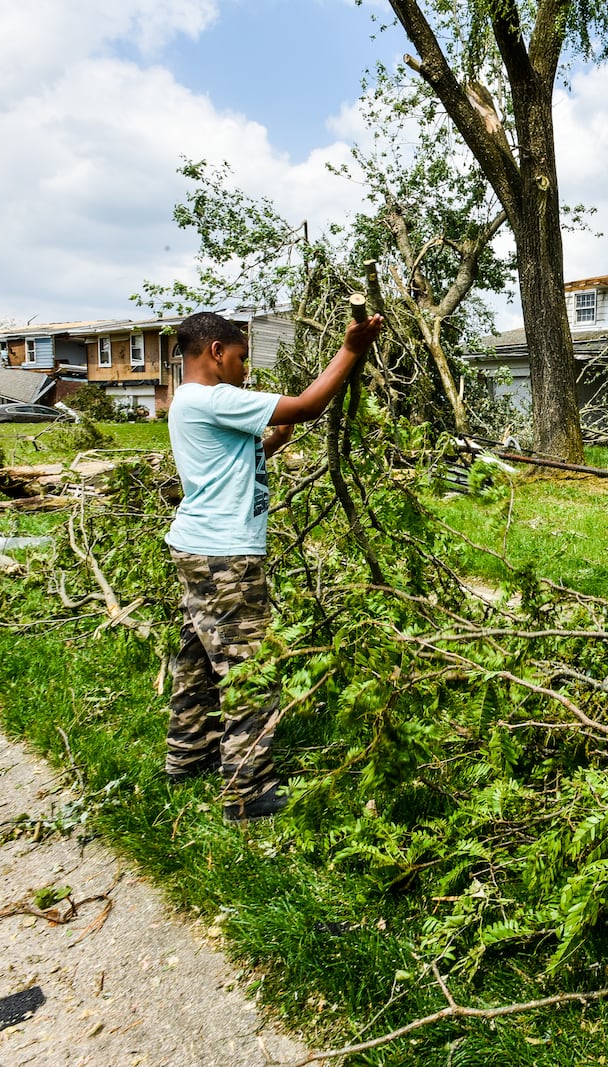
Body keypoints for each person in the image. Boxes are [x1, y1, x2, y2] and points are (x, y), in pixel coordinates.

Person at [165, 310, 383, 822]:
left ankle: (188, 755)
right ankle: (247, 790)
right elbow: (308, 405)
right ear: (216, 351)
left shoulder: (189, 401)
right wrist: (350, 348)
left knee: (198, 657)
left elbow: (240, 454)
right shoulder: (215, 396)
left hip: (197, 545)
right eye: (240, 358)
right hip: (225, 555)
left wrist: (275, 439)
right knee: (248, 668)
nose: (244, 370)